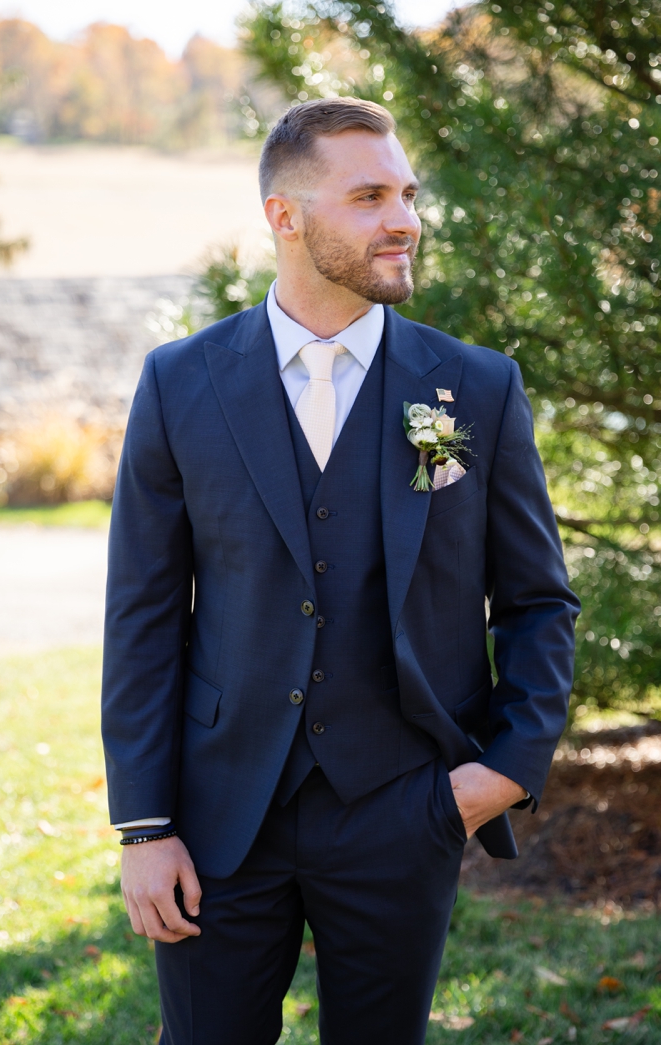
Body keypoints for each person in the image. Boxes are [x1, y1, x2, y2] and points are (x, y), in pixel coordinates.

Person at [100, 97, 579, 1043]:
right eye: (369, 196)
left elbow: (537, 601)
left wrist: (501, 774)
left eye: (407, 193)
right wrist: (146, 828)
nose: (404, 218)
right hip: (217, 815)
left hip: (406, 809)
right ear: (287, 215)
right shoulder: (180, 381)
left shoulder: (475, 387)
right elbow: (144, 615)